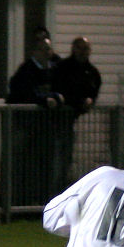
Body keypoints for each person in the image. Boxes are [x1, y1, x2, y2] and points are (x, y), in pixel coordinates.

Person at [6, 37, 64, 207]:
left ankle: (41, 202)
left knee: (44, 165)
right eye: (44, 49)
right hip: (26, 126)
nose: (48, 53)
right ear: (35, 52)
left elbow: (60, 90)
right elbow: (23, 93)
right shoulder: (26, 70)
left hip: (44, 127)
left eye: (48, 49)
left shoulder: (53, 70)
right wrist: (46, 99)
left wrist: (56, 98)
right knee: (25, 165)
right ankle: (21, 203)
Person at [51, 36, 102, 196]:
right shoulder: (63, 68)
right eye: (79, 48)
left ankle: (59, 194)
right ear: (73, 49)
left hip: (69, 120)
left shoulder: (91, 72)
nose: (82, 52)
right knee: (56, 161)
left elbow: (93, 90)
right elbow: (62, 90)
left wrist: (90, 100)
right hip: (56, 119)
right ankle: (51, 195)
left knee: (65, 161)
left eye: (85, 49)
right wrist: (79, 101)